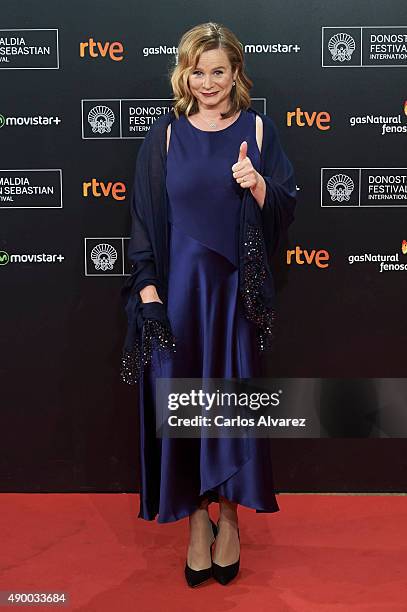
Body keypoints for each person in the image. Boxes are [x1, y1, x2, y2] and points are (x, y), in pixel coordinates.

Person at [120, 22, 297, 587]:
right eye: (198, 71)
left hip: (233, 300)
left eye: (218, 70)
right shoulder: (165, 137)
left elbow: (284, 210)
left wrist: (258, 184)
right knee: (184, 414)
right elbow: (144, 221)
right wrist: (148, 294)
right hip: (178, 298)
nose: (208, 82)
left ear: (235, 73)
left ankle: (230, 520)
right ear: (185, 74)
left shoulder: (260, 132)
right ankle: (196, 523)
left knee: (231, 414)